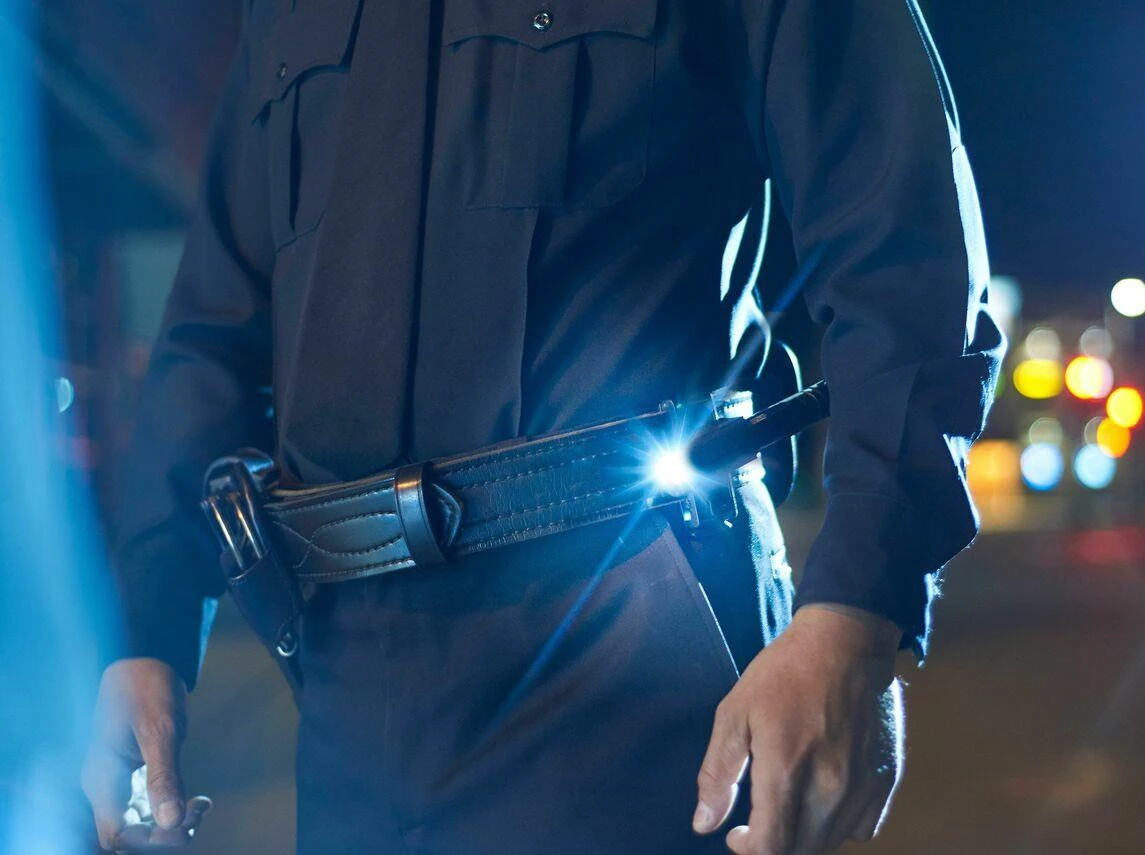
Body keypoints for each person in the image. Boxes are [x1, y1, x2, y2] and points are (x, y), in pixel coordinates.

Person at [81, 0, 1004, 852]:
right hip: (349, 698)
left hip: (637, 651)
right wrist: (146, 623)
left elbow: (901, 237)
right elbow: (213, 326)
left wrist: (856, 611)